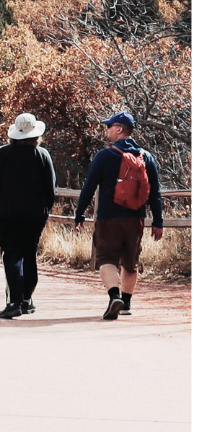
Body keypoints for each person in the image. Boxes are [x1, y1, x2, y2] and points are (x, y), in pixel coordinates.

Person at [73, 111, 165, 320]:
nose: (107, 130)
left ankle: (114, 296)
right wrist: (158, 222)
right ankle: (127, 303)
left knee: (106, 259)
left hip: (108, 218)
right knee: (131, 262)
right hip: (136, 219)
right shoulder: (146, 157)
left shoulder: (105, 155)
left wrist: (79, 214)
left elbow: (88, 187)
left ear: (119, 129)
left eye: (109, 126)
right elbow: (155, 193)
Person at [0, 111, 58, 318]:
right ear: (36, 134)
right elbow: (50, 189)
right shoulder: (43, 155)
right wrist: (45, 211)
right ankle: (26, 299)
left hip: (5, 215)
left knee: (11, 256)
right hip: (34, 216)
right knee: (29, 255)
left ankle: (14, 302)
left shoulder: (2, 154)